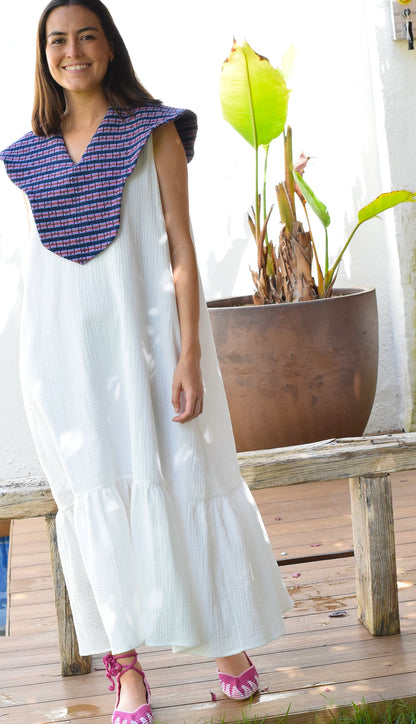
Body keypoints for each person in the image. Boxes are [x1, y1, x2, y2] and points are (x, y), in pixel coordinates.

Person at [0, 1, 293, 722]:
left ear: (109, 46)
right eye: (57, 40)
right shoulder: (28, 155)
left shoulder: (154, 130)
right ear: (44, 54)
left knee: (185, 474)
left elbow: (181, 248)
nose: (72, 51)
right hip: (67, 362)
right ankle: (125, 668)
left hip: (156, 348)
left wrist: (191, 353)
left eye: (86, 36)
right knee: (97, 492)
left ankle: (225, 642)